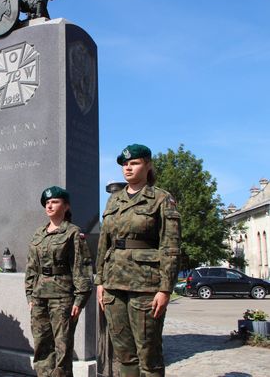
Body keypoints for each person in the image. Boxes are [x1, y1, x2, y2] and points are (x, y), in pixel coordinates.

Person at [95, 144, 181, 377]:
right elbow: (105, 242)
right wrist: (100, 281)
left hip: (145, 286)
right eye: (125, 164)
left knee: (148, 355)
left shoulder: (162, 199)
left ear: (148, 165)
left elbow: (170, 247)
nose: (128, 168)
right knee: (124, 355)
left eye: (134, 163)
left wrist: (165, 289)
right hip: (114, 285)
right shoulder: (114, 201)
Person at [25, 186, 93, 377]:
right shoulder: (39, 233)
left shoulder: (73, 232)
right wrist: (29, 294)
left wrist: (80, 299)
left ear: (66, 206)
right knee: (41, 345)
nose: (50, 205)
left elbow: (82, 266)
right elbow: (31, 266)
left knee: (62, 348)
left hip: (62, 298)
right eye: (47, 203)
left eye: (55, 202)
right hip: (39, 297)